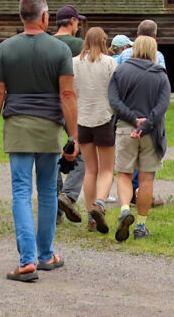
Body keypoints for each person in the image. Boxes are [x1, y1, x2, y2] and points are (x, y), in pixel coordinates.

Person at [0, 0, 78, 282]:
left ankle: (26, 261)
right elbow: (67, 94)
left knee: (21, 192)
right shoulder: (59, 50)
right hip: (49, 128)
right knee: (48, 190)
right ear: (44, 17)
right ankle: (46, 254)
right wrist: (72, 135)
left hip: (17, 127)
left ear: (21, 17)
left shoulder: (6, 48)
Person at [108, 36, 170, 242]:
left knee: (124, 174)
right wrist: (144, 124)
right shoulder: (160, 75)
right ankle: (141, 226)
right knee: (146, 178)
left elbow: (114, 101)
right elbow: (162, 107)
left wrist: (133, 120)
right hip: (151, 132)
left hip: (126, 129)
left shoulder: (120, 71)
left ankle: (125, 210)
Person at [73, 26, 117, 234]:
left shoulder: (74, 62)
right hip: (104, 118)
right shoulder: (110, 63)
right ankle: (100, 203)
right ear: (102, 41)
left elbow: (72, 91)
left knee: (90, 170)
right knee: (107, 169)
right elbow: (114, 90)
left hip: (82, 119)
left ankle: (91, 216)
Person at [118, 20, 166, 207]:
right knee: (148, 161)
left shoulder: (124, 56)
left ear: (137, 35)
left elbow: (118, 83)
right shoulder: (158, 56)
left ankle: (128, 194)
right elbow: (163, 86)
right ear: (155, 36)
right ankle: (144, 195)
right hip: (151, 114)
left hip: (128, 113)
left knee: (127, 162)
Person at [52, 4, 86, 223]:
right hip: (73, 102)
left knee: (51, 154)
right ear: (72, 21)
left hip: (48, 105)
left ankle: (54, 208)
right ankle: (69, 195)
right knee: (81, 152)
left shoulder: (46, 43)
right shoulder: (80, 45)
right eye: (78, 22)